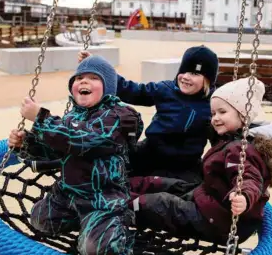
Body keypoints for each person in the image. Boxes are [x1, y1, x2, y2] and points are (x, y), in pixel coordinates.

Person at [8, 55, 144, 255]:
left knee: (94, 249)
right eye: (78, 78)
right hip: (69, 194)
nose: (83, 81)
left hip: (102, 198)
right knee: (39, 219)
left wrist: (41, 118)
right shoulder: (71, 117)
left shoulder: (118, 117)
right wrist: (26, 143)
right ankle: (84, 221)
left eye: (93, 78)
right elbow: (56, 149)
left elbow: (84, 141)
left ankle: (117, 228)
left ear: (108, 87)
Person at [128, 77, 272, 244]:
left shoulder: (241, 150)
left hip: (218, 221)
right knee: (163, 184)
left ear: (244, 115)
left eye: (222, 112)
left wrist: (244, 197)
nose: (215, 118)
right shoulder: (231, 138)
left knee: (160, 203)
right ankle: (124, 188)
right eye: (213, 113)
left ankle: (117, 207)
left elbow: (250, 178)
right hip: (210, 198)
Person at [78, 45, 218, 185]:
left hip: (184, 165)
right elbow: (134, 91)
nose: (186, 77)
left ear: (207, 80)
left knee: (182, 191)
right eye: (184, 71)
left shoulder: (213, 104)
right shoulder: (166, 90)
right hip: (150, 152)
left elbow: (222, 136)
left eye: (194, 74)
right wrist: (99, 70)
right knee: (114, 168)